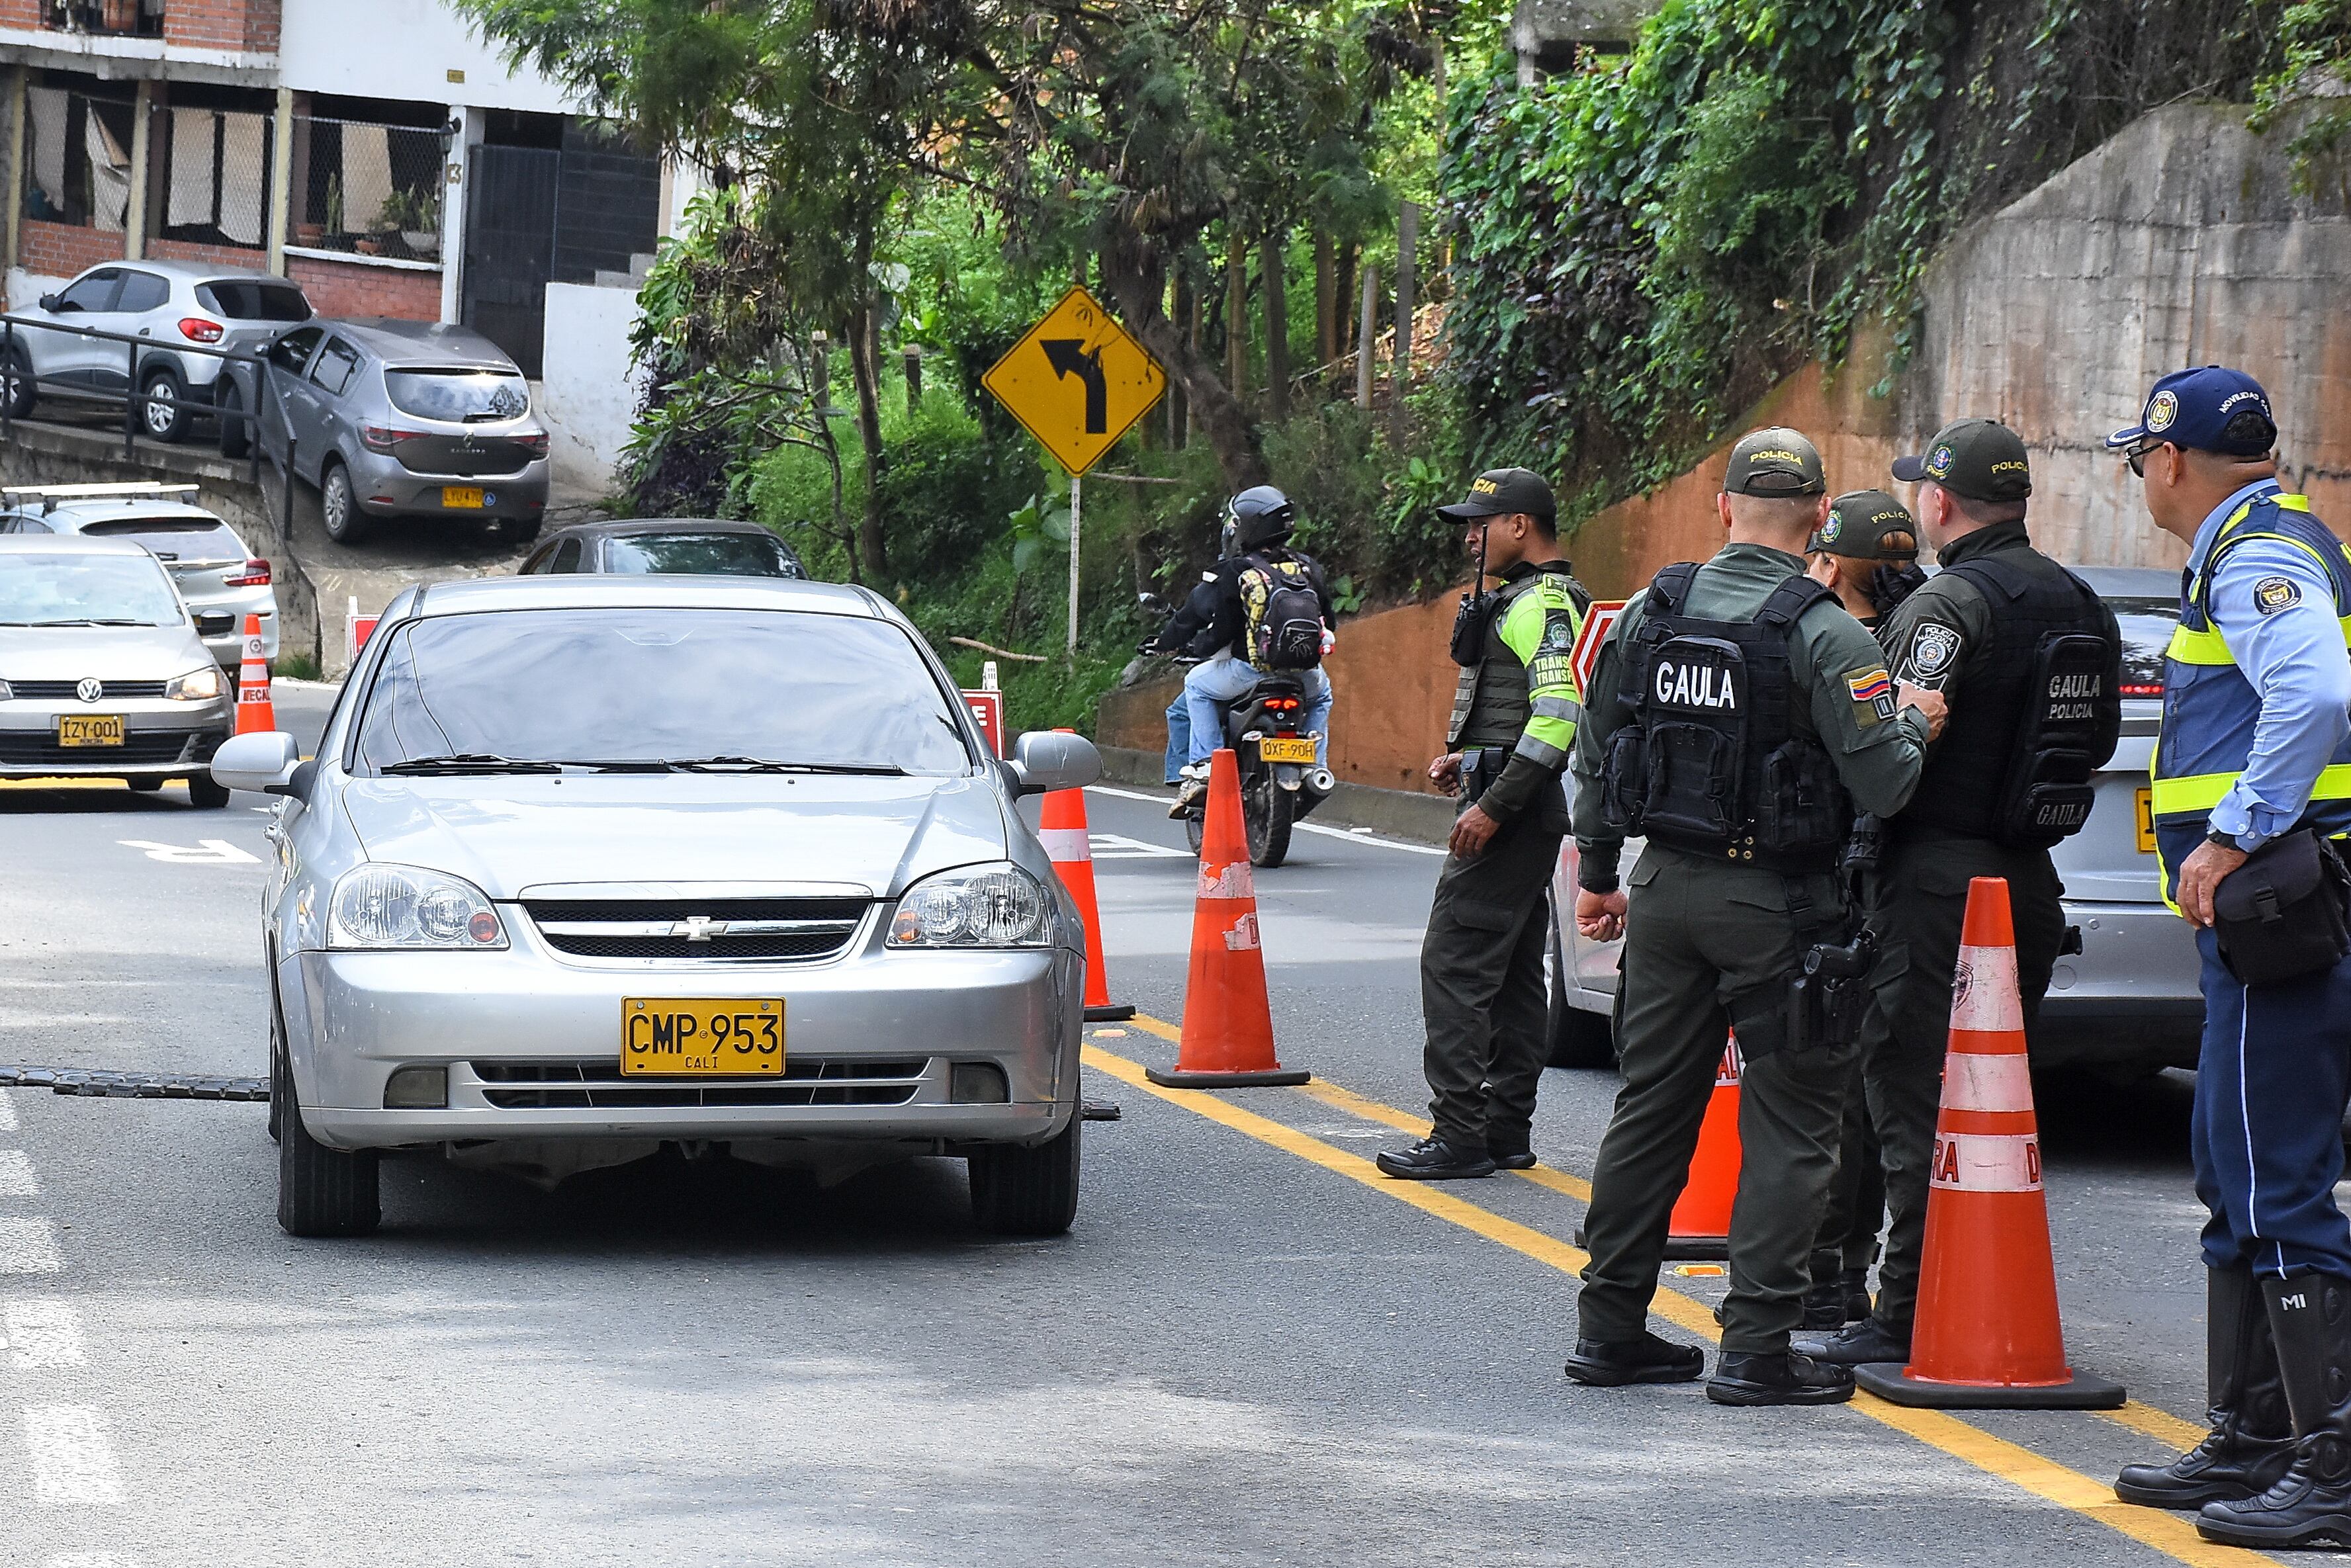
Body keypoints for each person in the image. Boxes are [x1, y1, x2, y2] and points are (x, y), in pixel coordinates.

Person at [1564, 428, 1946, 1406]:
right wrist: (1914, 719)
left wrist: (1600, 872)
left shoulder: (1656, 606)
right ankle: (1756, 1347)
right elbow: (1887, 782)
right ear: (1821, 517)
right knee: (1793, 1120)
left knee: (1649, 1109)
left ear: (1723, 507)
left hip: (1662, 892)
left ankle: (1607, 1331)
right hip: (1779, 905)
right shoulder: (1826, 631)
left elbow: (1601, 747)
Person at [1804, 420, 2122, 1373]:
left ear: (1938, 503)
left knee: (1911, 1092)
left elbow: (1892, 757)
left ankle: (1903, 1309)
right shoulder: (2079, 600)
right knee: (1995, 1097)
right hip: (2028, 879)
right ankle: (1973, 1287)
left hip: (1934, 882)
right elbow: (2094, 744)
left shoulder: (1944, 607)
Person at [2100, 367, 2351, 1549]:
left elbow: (2312, 688)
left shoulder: (2258, 542)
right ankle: (2253, 1435)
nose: (2137, 475)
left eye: (2136, 457)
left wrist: (2240, 830)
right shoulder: (2254, 537)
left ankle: (2330, 1462)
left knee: (2274, 1176)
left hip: (2277, 909)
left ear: (2167, 459)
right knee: (2232, 1167)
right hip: (2260, 918)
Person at [1376, 468, 1589, 1180]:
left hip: (1514, 810)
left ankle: (1460, 1134)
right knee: (1515, 974)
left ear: (1520, 527)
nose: (1470, 537)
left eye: (1480, 524)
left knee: (1455, 963)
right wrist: (1462, 761)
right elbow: (1521, 710)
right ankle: (1503, 1131)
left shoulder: (1541, 604)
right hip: (1511, 798)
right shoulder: (1527, 600)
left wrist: (1493, 805)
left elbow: (1558, 716)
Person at [1799, 488, 1926, 1328]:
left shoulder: (1827, 645)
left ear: (1834, 564)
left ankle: (1829, 1276)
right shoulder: (1919, 640)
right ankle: (1847, 1270)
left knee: (1831, 1093)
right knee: (1871, 1097)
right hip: (1891, 892)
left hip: (1836, 886)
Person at [1153, 486, 1336, 816]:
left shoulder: (1237, 570)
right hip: (1304, 675)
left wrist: (1198, 647)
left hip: (1250, 672)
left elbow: (1221, 629)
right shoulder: (1308, 567)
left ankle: (1206, 765)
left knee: (1196, 685)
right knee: (1322, 697)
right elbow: (1329, 622)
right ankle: (1314, 765)